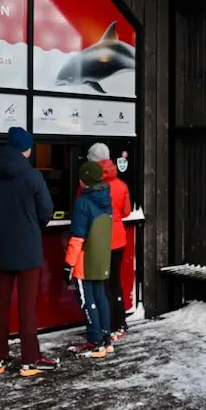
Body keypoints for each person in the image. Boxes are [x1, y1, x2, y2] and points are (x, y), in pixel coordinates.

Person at [0, 126, 59, 377]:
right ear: (26, 149)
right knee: (27, 306)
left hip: (1, 248)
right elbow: (47, 210)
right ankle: (29, 360)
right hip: (27, 250)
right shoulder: (32, 176)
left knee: (0, 305)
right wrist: (32, 227)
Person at [76, 143, 133, 341]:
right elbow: (126, 211)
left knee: (100, 286)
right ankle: (120, 323)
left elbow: (81, 211)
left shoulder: (88, 183)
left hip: (98, 240)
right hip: (118, 237)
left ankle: (104, 327)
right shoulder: (121, 185)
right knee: (115, 282)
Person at [65, 161, 114, 358]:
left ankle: (95, 341)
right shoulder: (106, 199)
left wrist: (68, 264)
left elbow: (77, 237)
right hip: (101, 257)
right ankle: (106, 338)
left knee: (87, 300)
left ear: (84, 181)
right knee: (101, 296)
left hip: (84, 260)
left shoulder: (82, 203)